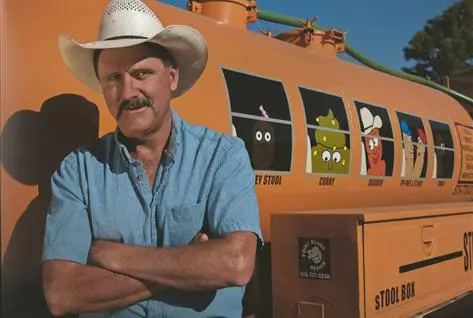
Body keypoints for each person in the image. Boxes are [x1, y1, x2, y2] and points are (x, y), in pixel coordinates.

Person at [41, 0, 263, 317]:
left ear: (171, 78)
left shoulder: (222, 155)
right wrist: (190, 266)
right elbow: (61, 294)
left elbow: (236, 263)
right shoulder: (78, 171)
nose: (128, 91)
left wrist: (115, 256)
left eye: (141, 73)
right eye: (113, 78)